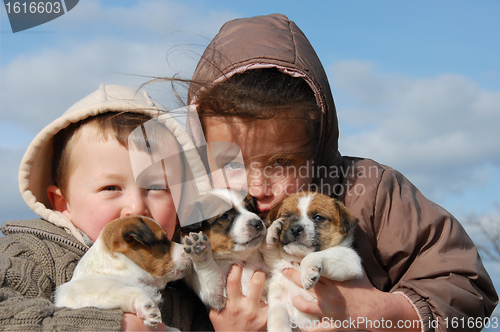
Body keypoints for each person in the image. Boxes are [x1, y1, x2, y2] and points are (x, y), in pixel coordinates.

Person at [185, 14, 498, 331]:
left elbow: (467, 285)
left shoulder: (370, 190)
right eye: (232, 164)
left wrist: (389, 314)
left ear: (315, 146)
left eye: (281, 163)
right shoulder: (194, 218)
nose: (257, 188)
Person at [0, 84, 213, 331]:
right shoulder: (31, 255)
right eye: (111, 188)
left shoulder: (186, 284)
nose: (135, 207)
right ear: (62, 204)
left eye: (156, 187)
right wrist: (120, 326)